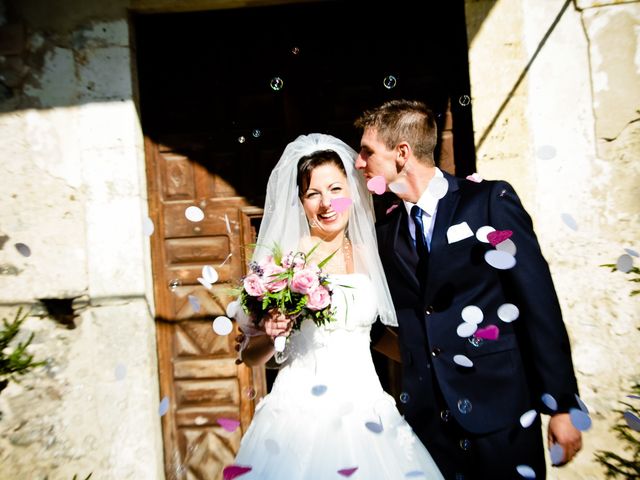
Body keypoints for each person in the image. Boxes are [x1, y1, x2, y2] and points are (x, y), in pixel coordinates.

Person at [353, 99, 583, 480]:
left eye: (367, 151)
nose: (359, 162)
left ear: (402, 154)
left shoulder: (489, 203)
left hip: (501, 413)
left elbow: (537, 301)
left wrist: (561, 405)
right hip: (427, 429)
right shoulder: (384, 235)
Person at [226, 133, 444, 479]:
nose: (326, 204)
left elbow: (372, 335)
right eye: (313, 193)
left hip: (368, 408)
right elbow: (250, 355)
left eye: (335, 190)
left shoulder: (370, 254)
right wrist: (269, 334)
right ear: (301, 200)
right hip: (301, 414)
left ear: (352, 193)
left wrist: (432, 359)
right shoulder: (284, 262)